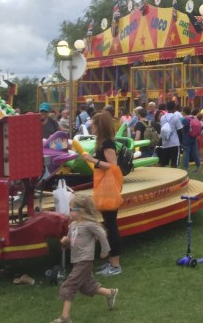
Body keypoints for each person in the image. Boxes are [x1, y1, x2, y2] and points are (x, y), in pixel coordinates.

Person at [52, 192, 118, 323]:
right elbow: (72, 240)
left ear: (81, 210)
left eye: (72, 209)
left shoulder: (89, 225)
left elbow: (102, 235)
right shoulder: (73, 226)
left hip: (84, 260)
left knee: (69, 286)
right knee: (86, 286)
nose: (70, 212)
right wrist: (66, 240)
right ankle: (110, 293)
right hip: (76, 259)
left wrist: (105, 250)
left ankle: (65, 317)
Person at [82, 112, 123, 276]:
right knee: (109, 223)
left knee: (112, 226)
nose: (90, 127)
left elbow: (112, 165)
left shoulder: (107, 143)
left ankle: (115, 265)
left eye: (92, 124)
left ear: (99, 126)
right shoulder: (102, 143)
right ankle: (112, 262)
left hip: (109, 188)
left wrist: (91, 160)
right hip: (104, 186)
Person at [158, 101, 182, 168]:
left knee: (163, 162)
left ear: (166, 108)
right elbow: (180, 130)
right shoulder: (175, 117)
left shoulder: (162, 117)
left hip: (165, 142)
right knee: (174, 163)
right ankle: (173, 177)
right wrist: (181, 142)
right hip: (174, 143)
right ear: (174, 108)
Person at [182, 107, 202, 171]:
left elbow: (181, 128)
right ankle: (198, 166)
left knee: (186, 153)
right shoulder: (194, 117)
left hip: (186, 137)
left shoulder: (184, 119)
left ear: (184, 112)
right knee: (195, 152)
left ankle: (186, 167)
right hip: (194, 136)